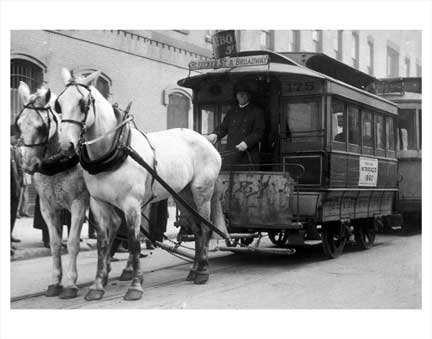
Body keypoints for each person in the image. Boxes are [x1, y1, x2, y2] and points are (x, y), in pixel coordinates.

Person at [206, 82, 265, 170]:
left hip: (248, 156)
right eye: (239, 94)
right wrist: (215, 135)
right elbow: (223, 127)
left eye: (244, 94)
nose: (241, 96)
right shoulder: (232, 112)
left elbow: (258, 132)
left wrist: (246, 143)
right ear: (236, 96)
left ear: (249, 96)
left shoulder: (257, 112)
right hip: (231, 155)